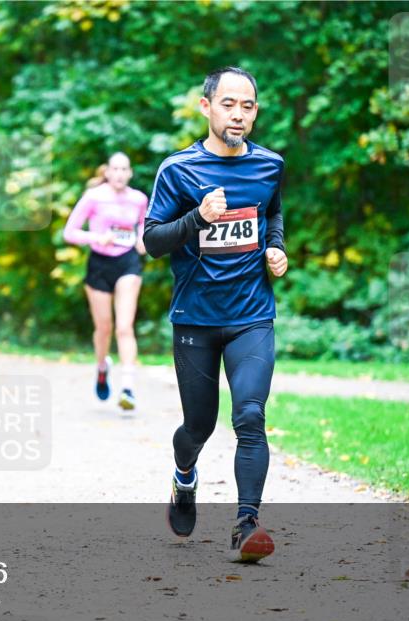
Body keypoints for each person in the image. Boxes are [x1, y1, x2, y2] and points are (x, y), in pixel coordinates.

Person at [143, 66, 288, 563]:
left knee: (250, 415)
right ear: (206, 107)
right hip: (195, 319)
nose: (239, 115)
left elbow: (271, 213)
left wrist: (275, 248)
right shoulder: (177, 170)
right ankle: (185, 478)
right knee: (198, 426)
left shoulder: (269, 165)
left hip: (251, 315)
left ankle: (246, 526)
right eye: (229, 104)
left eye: (248, 106)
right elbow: (153, 242)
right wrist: (197, 218)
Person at [64, 152, 148, 410]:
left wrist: (143, 240)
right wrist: (96, 238)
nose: (120, 174)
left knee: (124, 327)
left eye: (125, 169)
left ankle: (128, 388)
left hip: (128, 263)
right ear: (108, 172)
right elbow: (70, 232)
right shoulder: (94, 196)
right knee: (104, 328)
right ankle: (102, 367)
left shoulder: (138, 199)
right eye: (115, 169)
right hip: (100, 265)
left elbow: (144, 225)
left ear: (130, 173)